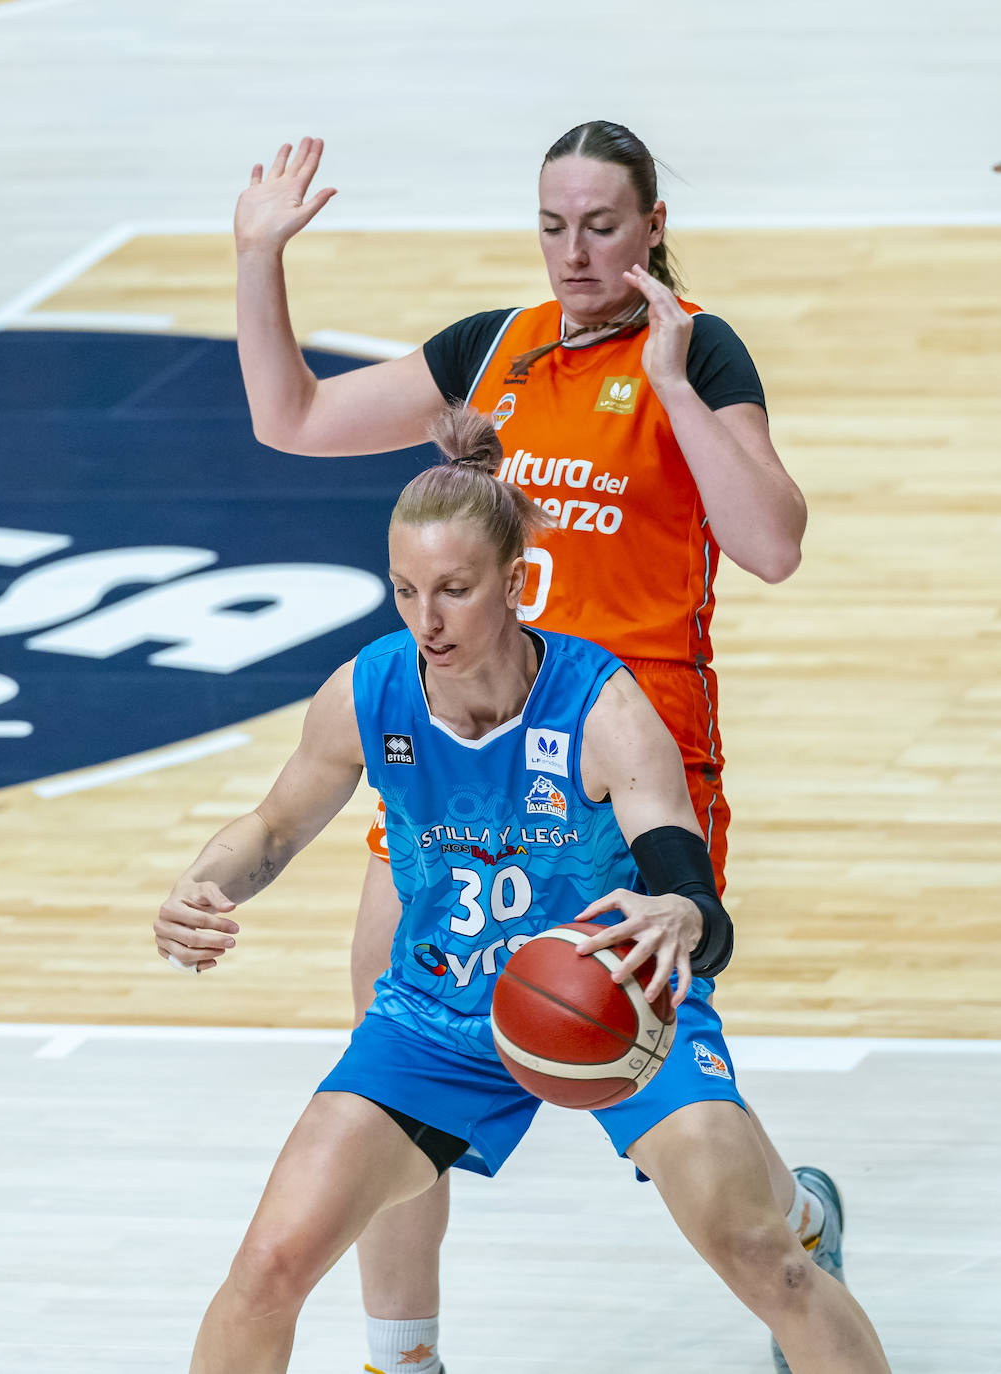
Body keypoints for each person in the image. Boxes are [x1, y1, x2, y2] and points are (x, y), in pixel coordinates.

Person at [230, 122, 837, 1374]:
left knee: (644, 1052)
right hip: (459, 754)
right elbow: (290, 418)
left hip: (622, 765)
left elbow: (772, 542)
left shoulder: (698, 349)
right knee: (393, 1054)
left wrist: (672, 385)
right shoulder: (494, 351)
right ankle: (404, 1357)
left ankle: (796, 1232)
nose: (575, 252)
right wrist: (257, 261)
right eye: (553, 225)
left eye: (603, 225)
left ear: (654, 227)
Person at [154, 424, 891, 1374]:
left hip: (621, 1009)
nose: (429, 621)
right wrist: (202, 881)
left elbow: (694, 901)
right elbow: (274, 826)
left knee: (770, 1265)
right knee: (267, 1268)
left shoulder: (604, 708)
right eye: (407, 591)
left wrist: (684, 916)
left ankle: (801, 1227)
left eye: (455, 590)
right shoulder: (369, 691)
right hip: (432, 1020)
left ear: (516, 579)